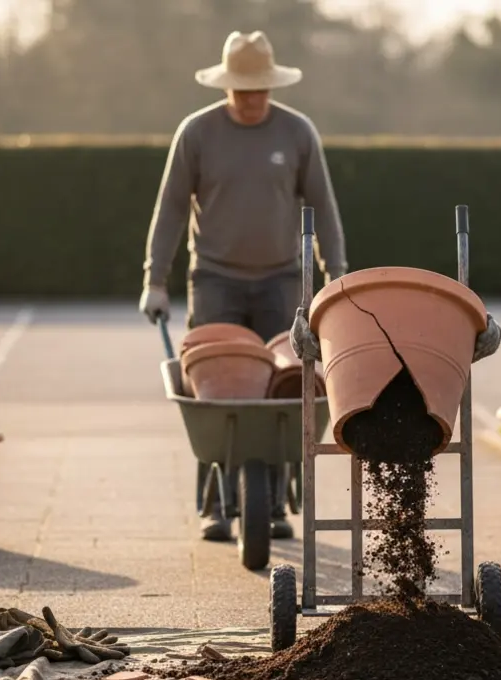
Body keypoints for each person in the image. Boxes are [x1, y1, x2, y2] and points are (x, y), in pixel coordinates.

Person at [139, 30, 347, 542]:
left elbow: (324, 207)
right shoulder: (197, 133)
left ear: (272, 86)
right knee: (216, 396)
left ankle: (275, 502)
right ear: (227, 86)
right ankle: (218, 503)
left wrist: (335, 275)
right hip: (215, 280)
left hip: (280, 280)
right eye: (243, 90)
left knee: (282, 393)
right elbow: (169, 210)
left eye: (260, 90)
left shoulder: (297, 133)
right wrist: (155, 280)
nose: (253, 99)